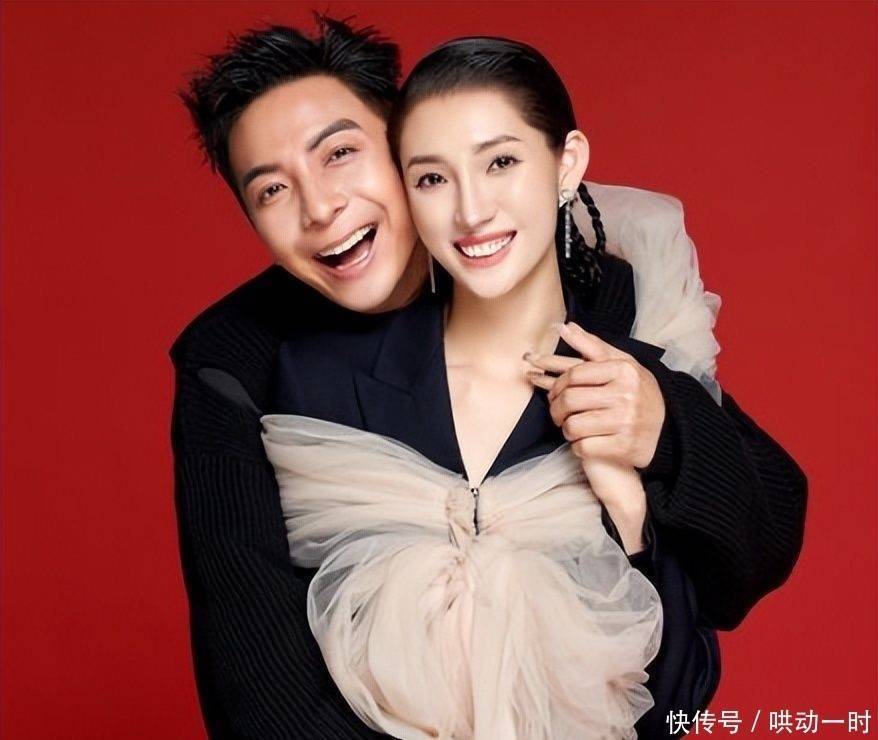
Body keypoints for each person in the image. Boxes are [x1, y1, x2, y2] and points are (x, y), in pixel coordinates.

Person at [172, 17, 807, 739]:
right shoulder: (244, 357)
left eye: (341, 154)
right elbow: (256, 674)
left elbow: (757, 534)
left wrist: (663, 435)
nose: (321, 209)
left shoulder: (588, 295)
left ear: (401, 145)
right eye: (271, 191)